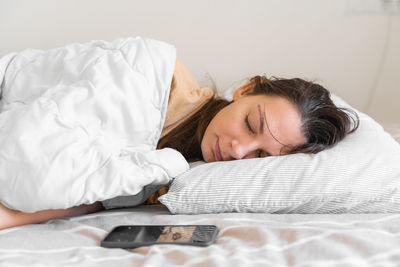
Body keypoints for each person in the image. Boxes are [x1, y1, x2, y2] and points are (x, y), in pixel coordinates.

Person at [0, 56, 359, 230]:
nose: (238, 152)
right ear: (246, 89)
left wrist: (12, 218)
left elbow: (91, 199)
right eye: (251, 124)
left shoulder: (180, 174)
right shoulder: (159, 78)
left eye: (261, 154)